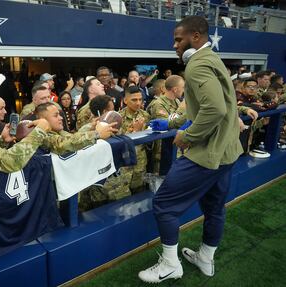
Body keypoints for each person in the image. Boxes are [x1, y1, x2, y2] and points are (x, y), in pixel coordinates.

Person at [138, 16, 243, 283]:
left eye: (178, 39)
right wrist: (173, 122)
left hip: (206, 152)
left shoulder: (196, 64)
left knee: (164, 205)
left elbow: (215, 109)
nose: (174, 45)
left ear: (195, 36)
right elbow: (212, 106)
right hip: (227, 151)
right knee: (215, 207)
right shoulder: (213, 58)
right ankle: (206, 259)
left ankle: (171, 265)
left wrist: (188, 136)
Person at [35, 102, 115, 155]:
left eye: (59, 115)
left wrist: (91, 126)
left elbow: (73, 137)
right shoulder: (42, 135)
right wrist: (97, 134)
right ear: (43, 120)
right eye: (55, 115)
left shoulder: (59, 132)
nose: (61, 118)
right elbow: (64, 144)